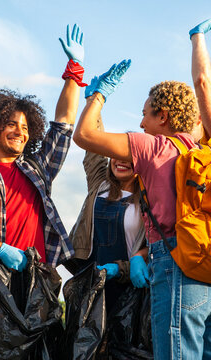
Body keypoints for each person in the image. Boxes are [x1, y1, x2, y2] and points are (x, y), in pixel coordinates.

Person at [73, 16, 211, 359]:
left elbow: (85, 135)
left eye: (146, 114)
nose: (140, 122)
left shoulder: (152, 147)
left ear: (162, 117)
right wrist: (198, 38)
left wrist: (99, 95)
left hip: (178, 267)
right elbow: (204, 84)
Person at [0, 24, 85, 359]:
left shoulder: (37, 168)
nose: (20, 132)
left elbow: (62, 124)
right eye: (12, 124)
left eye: (26, 127)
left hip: (38, 288)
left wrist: (74, 73)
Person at [66, 81, 150, 312]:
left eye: (129, 156)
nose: (121, 160)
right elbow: (93, 140)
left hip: (132, 290)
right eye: (116, 154)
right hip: (91, 286)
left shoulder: (149, 200)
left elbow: (155, 249)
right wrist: (95, 100)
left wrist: (120, 268)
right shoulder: (99, 183)